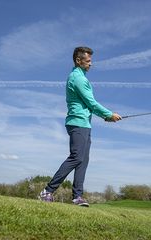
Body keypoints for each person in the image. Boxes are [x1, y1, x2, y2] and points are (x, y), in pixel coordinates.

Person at [40, 46, 122, 207]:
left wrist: (106, 117)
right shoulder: (78, 78)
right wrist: (108, 114)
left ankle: (77, 196)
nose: (91, 64)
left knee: (83, 160)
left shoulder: (80, 77)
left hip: (84, 123)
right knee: (76, 157)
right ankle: (47, 191)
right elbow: (91, 103)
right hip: (77, 123)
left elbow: (88, 105)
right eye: (88, 61)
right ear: (79, 60)